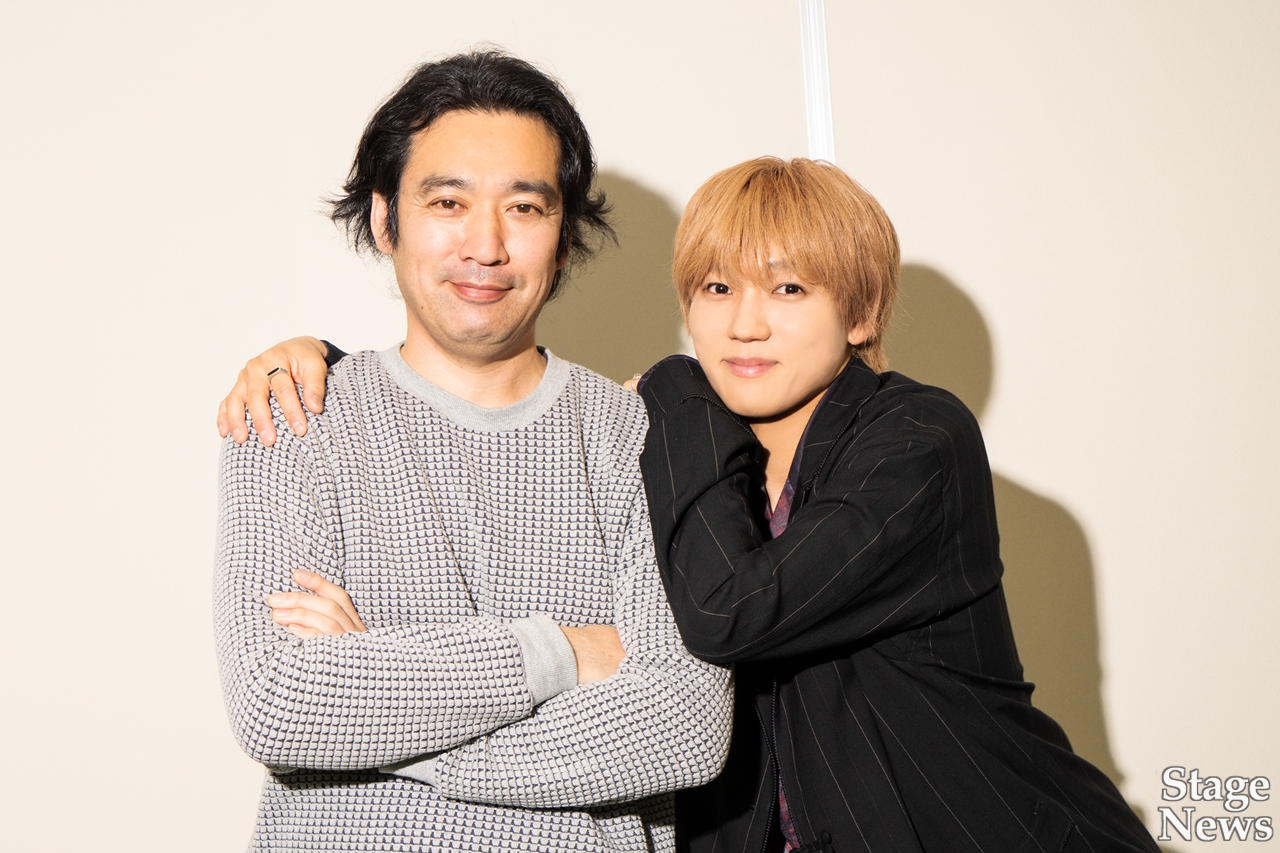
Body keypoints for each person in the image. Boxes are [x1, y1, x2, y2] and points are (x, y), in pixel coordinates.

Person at [213, 49, 730, 853]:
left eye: (524, 208)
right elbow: (279, 702)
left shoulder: (639, 437)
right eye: (447, 201)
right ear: (385, 220)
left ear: (563, 236)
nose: (485, 246)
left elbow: (685, 725)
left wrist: (378, 707)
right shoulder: (291, 415)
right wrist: (560, 651)